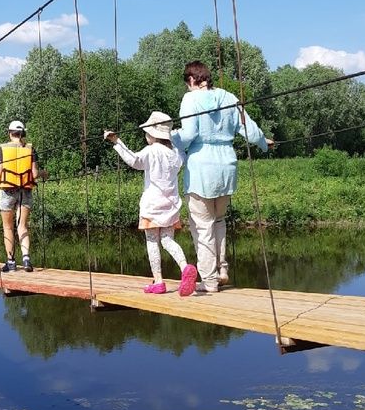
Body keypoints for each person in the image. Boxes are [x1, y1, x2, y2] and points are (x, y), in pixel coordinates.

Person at [172, 60, 273, 293]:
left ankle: (209, 281)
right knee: (219, 221)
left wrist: (169, 138)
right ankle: (222, 269)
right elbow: (251, 129)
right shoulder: (229, 97)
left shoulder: (191, 99)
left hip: (201, 169)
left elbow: (188, 135)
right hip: (227, 166)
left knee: (202, 226)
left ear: (190, 80)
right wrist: (264, 144)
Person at [104, 112, 197, 297]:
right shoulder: (176, 153)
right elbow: (182, 162)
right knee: (168, 241)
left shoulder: (151, 150)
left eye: (147, 132)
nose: (146, 135)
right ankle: (185, 267)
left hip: (152, 206)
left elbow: (134, 160)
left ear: (153, 134)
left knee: (152, 241)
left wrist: (116, 142)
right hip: (171, 206)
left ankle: (159, 281)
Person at [0, 120, 46, 273]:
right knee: (22, 226)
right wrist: (44, 173)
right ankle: (26, 259)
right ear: (23, 133)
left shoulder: (2, 148)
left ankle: (10, 262)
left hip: (7, 191)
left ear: (10, 133)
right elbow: (35, 174)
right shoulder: (30, 148)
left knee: (8, 227)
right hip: (25, 191)